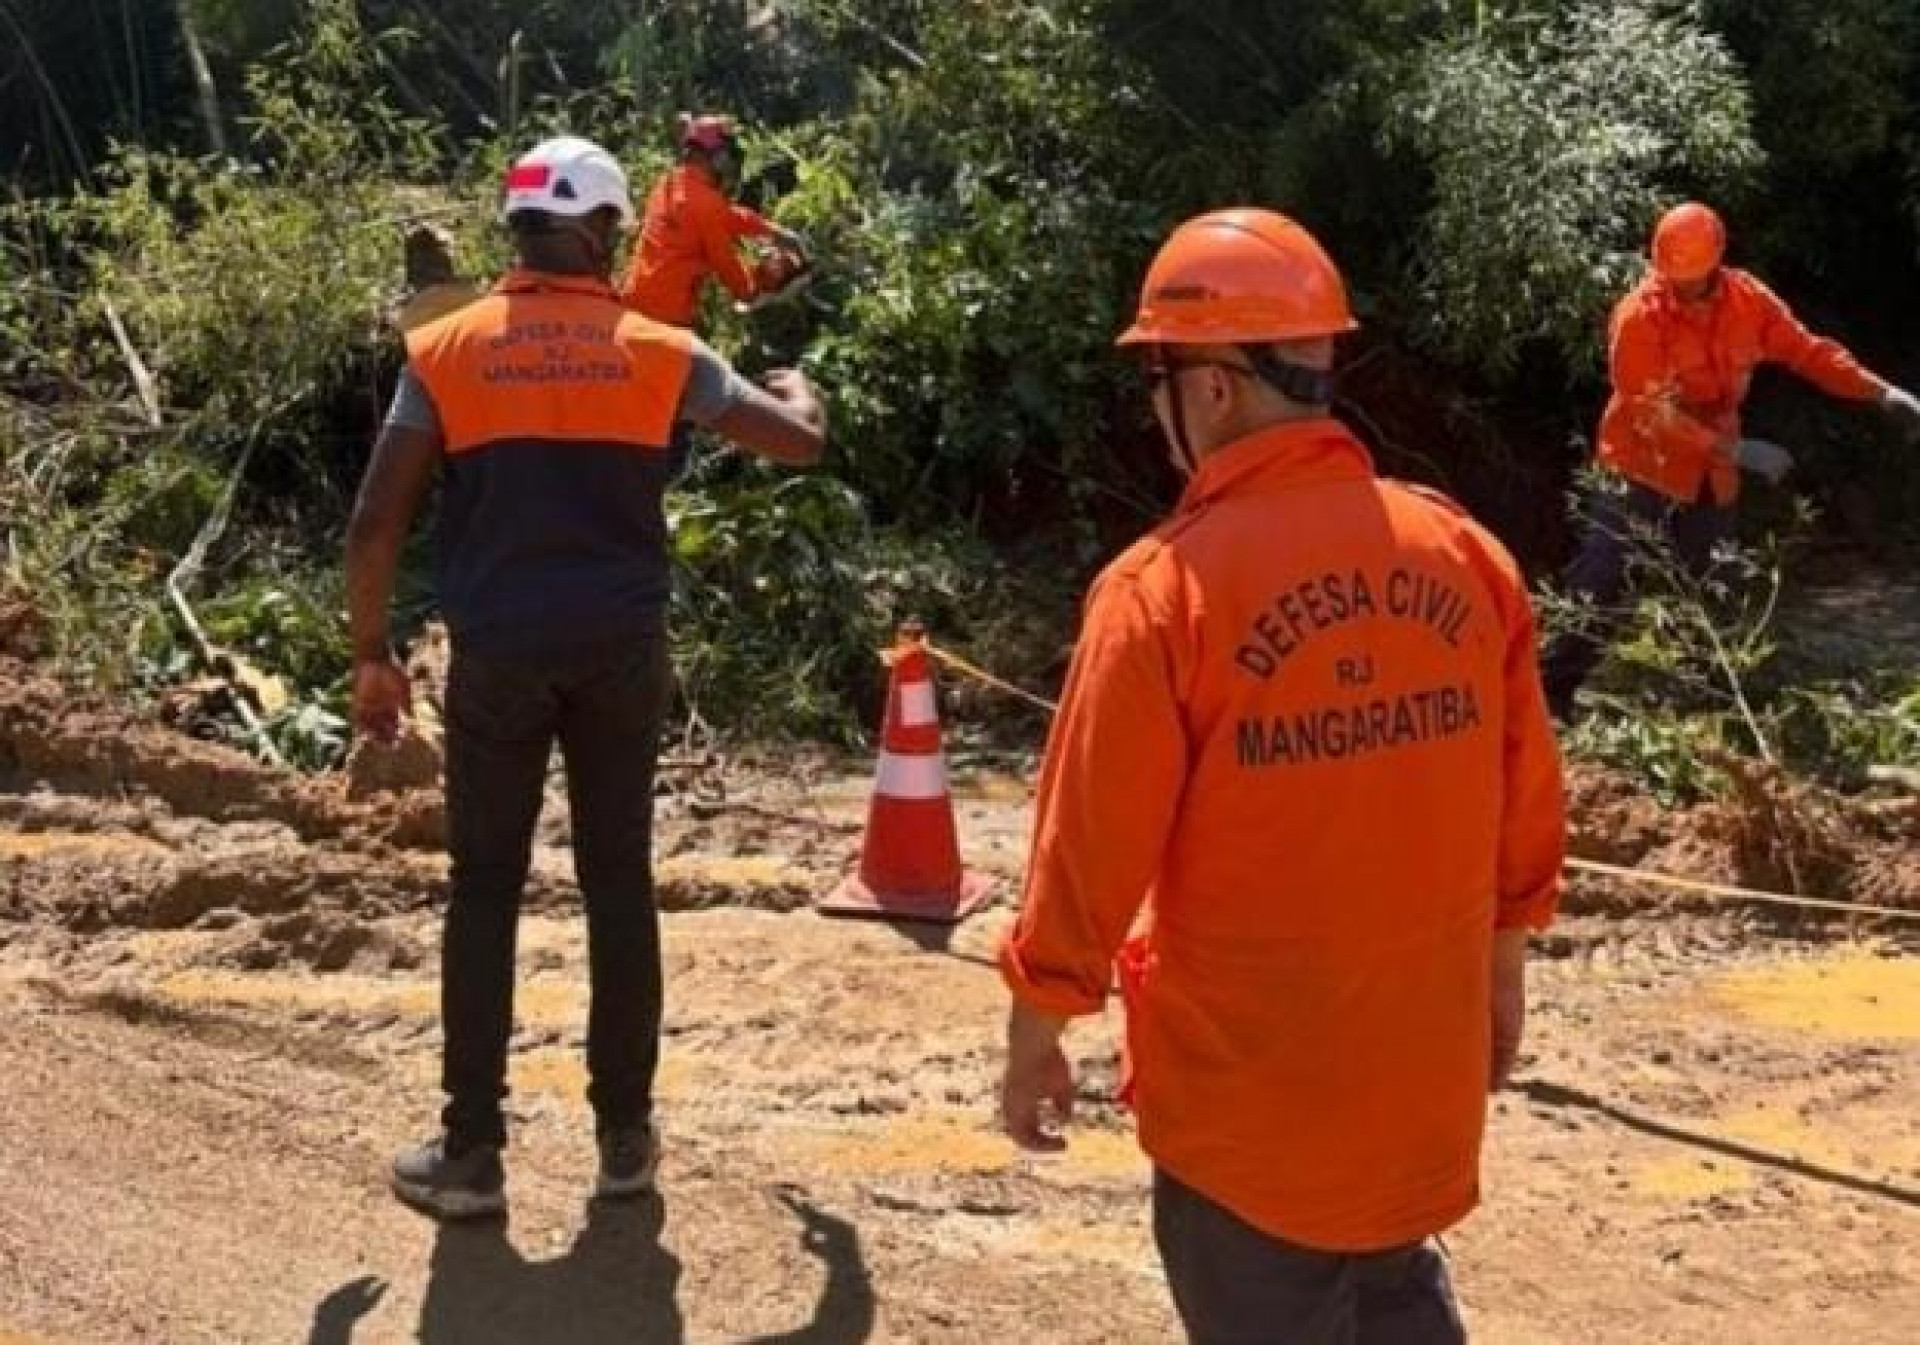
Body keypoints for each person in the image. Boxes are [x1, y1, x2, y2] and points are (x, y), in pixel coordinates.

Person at [996, 208, 1566, 1343]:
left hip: (1248, 1127)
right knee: (1395, 1284)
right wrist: (1501, 975)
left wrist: (1035, 1037)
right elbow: (1526, 809)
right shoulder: (1461, 555)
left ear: (1210, 388)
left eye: (1156, 375)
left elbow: (1086, 856)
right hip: (1420, 1097)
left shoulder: (1163, 595)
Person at [345, 135, 826, 1219]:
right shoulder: (659, 349)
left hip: (499, 656)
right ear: (606, 230)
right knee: (619, 882)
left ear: (513, 229)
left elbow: (375, 521)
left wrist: (373, 655)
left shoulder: (447, 346)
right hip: (619, 653)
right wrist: (804, 387)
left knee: (484, 890)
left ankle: (470, 1156)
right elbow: (795, 440)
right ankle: (623, 1142)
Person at [1540, 201, 1920, 720]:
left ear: (1717, 263)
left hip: (1710, 476)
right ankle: (1549, 691)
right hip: (1641, 464)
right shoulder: (1637, 318)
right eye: (1678, 281)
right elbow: (1652, 412)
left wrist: (1880, 392)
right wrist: (1736, 451)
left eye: (1696, 280)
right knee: (1603, 577)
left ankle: (1712, 701)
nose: (1688, 291)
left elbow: (1807, 352)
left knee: (1716, 584)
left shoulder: (1748, 300)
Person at [619, 113, 809, 329]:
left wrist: (772, 231)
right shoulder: (705, 202)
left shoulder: (669, 183)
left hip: (634, 301)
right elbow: (725, 261)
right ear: (713, 154)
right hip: (664, 316)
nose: (729, 162)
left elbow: (725, 215)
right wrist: (753, 291)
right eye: (726, 154)